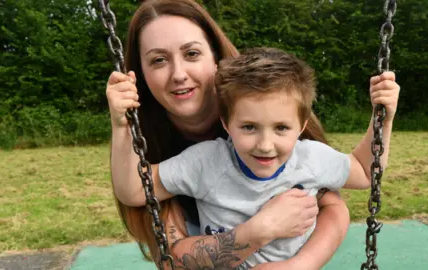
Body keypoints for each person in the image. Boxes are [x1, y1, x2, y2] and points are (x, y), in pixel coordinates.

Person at [106, 0, 398, 269]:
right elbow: (137, 194)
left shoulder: (276, 106)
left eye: (192, 53)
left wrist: (382, 117)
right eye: (158, 60)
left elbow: (358, 176)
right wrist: (259, 230)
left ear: (216, 58)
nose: (179, 73)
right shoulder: (200, 161)